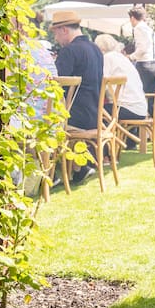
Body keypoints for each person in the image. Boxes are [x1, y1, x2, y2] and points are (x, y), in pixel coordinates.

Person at [94, 35, 155, 153]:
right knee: (104, 109)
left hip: (125, 109)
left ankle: (105, 152)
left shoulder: (107, 58)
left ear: (101, 49)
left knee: (94, 112)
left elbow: (101, 83)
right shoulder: (123, 59)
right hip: (140, 108)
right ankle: (123, 145)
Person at [50, 10, 103, 184]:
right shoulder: (96, 49)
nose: (56, 39)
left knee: (41, 118)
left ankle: (51, 175)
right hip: (95, 115)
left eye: (56, 33)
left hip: (76, 118)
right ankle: (81, 166)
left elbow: (54, 85)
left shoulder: (69, 52)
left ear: (64, 29)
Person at [127, 6, 155, 94]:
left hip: (144, 66)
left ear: (132, 18)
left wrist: (130, 57)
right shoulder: (150, 30)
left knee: (141, 94)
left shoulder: (138, 28)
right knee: (153, 97)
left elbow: (142, 48)